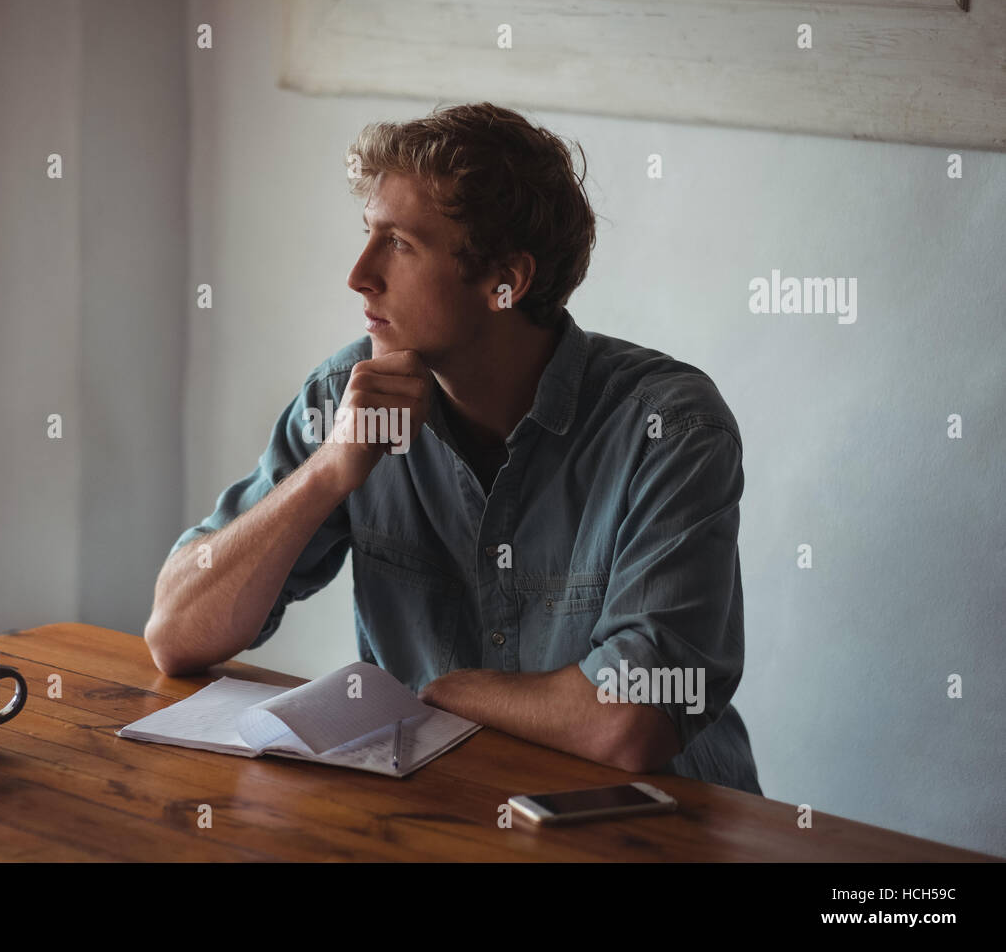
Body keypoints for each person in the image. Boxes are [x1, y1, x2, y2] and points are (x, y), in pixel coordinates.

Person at [144, 102, 761, 795]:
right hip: (444, 818)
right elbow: (175, 632)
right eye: (368, 235)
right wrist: (330, 471)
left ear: (507, 282)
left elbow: (632, 719)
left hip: (656, 831)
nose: (360, 274)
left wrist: (450, 693)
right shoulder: (348, 399)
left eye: (400, 244)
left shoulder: (668, 429)